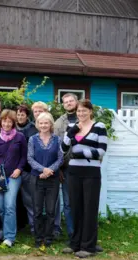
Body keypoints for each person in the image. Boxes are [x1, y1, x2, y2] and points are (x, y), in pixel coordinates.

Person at [61, 100, 108, 258]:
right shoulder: (71, 127)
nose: (81, 114)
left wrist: (80, 153)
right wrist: (72, 131)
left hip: (91, 172)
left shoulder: (99, 127)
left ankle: (89, 247)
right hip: (74, 171)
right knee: (76, 208)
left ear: (90, 111)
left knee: (89, 208)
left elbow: (101, 151)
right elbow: (63, 148)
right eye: (79, 111)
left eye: (84, 111)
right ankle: (75, 243)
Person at [0, 109, 27, 248]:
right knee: (1, 207)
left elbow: (24, 156)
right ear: (1, 122)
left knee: (10, 206)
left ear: (13, 123)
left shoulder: (20, 137)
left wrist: (19, 169)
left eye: (10, 121)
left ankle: (10, 237)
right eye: (5, 121)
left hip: (13, 176)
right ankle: (4, 233)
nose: (7, 124)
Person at [27, 112, 63, 248]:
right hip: (37, 179)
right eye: (41, 123)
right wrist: (43, 170)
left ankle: (48, 238)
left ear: (51, 124)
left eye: (46, 123)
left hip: (52, 180)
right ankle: (38, 238)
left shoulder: (57, 140)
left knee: (50, 210)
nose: (43, 125)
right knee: (37, 210)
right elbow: (30, 158)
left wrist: (49, 171)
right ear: (37, 124)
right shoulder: (32, 139)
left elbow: (60, 158)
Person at [53, 93, 78, 239]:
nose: (68, 103)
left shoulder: (85, 119)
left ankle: (83, 233)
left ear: (76, 102)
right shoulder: (58, 123)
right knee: (68, 203)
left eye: (71, 101)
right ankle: (72, 234)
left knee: (81, 202)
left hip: (83, 167)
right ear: (63, 105)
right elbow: (56, 148)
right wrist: (59, 168)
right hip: (66, 168)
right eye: (66, 102)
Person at [15, 105, 39, 235]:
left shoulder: (33, 130)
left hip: (27, 170)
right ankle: (18, 226)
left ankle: (34, 228)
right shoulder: (12, 128)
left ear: (27, 116)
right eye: (18, 114)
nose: (20, 117)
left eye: (22, 114)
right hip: (13, 170)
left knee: (29, 201)